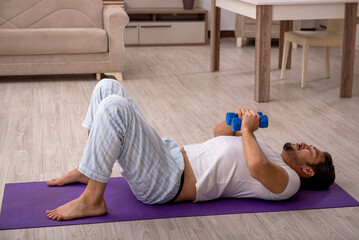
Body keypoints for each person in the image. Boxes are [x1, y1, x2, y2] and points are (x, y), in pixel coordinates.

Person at [45, 79, 335, 221]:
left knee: (114, 109)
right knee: (107, 87)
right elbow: (218, 133)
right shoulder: (268, 149)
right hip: (168, 155)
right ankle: (88, 168)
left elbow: (257, 168)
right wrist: (238, 120)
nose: (304, 144)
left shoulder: (291, 182)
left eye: (312, 151)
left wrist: (247, 130)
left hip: (167, 181)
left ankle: (93, 200)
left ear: (308, 170)